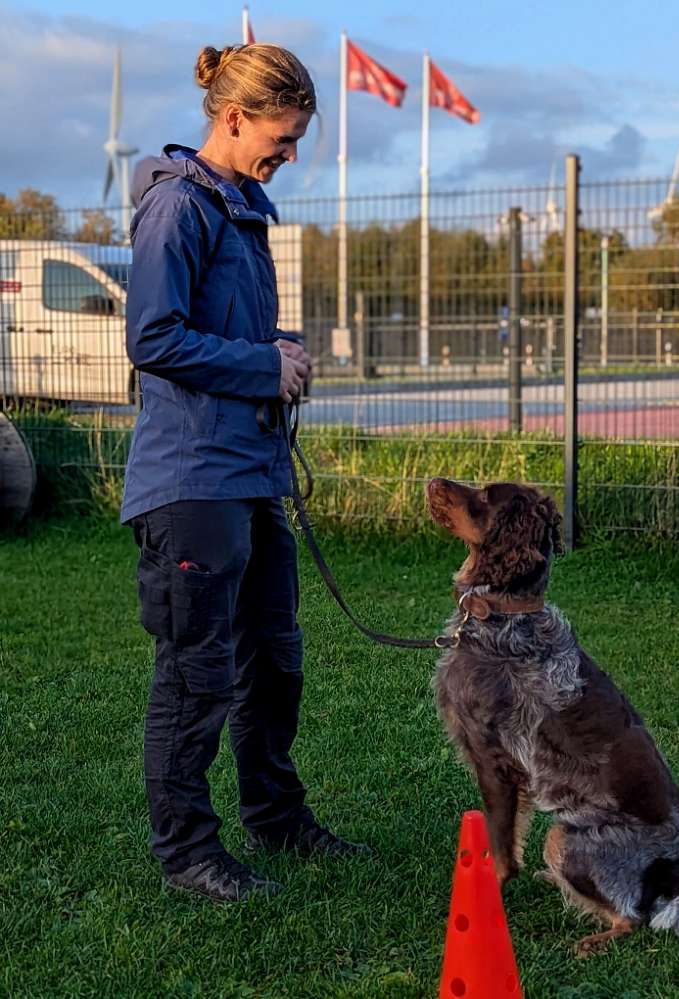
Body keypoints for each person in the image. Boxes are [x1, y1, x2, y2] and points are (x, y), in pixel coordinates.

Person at [122, 42, 370, 903]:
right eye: (285, 134)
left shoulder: (243, 206)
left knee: (275, 660)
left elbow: (221, 335)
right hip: (192, 482)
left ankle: (277, 816)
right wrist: (263, 365)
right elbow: (153, 338)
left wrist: (278, 350)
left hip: (251, 473)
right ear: (234, 117)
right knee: (197, 670)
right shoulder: (177, 209)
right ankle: (188, 850)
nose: (290, 153)